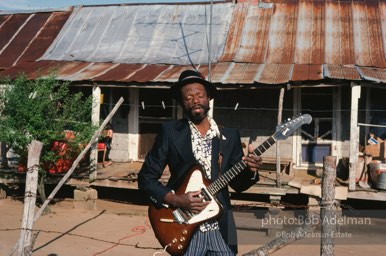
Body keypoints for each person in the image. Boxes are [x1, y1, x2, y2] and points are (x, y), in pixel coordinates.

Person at [138, 70, 262, 255]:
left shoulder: (229, 135)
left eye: (199, 95)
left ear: (208, 97)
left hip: (221, 229)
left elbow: (238, 184)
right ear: (181, 102)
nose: (195, 100)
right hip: (185, 228)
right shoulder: (170, 132)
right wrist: (176, 199)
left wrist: (251, 170)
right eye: (188, 97)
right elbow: (146, 179)